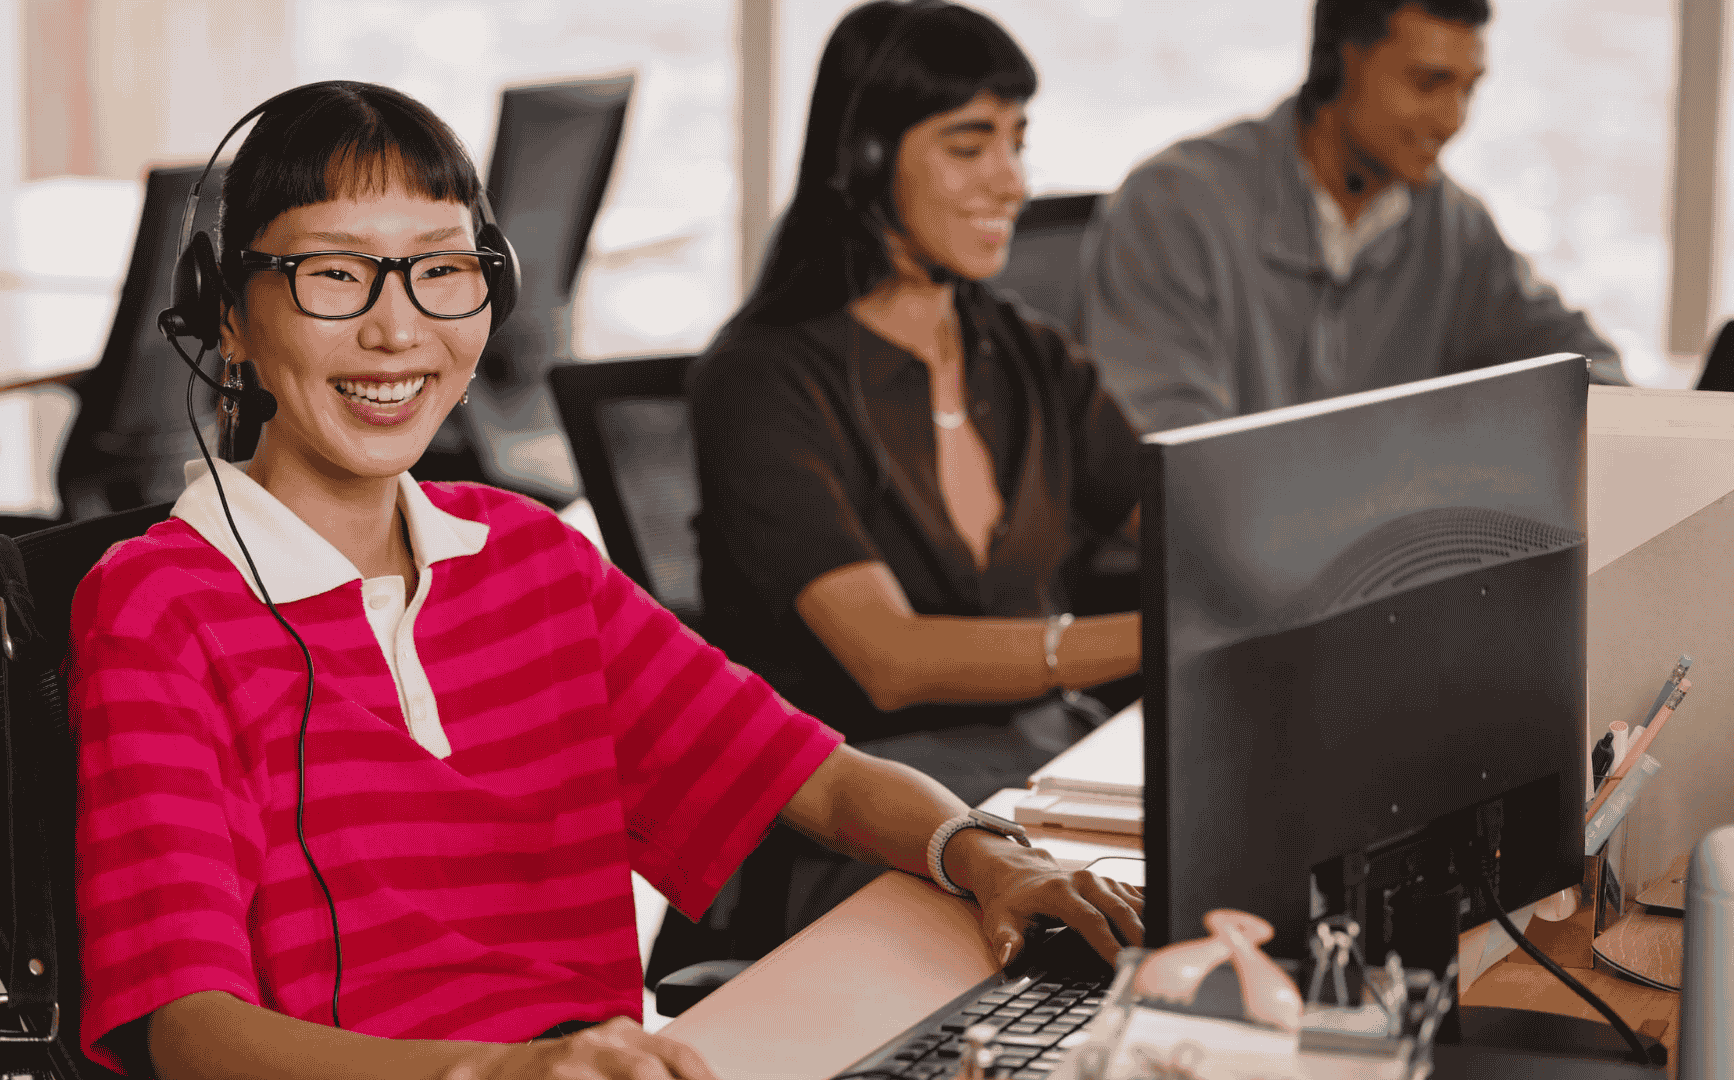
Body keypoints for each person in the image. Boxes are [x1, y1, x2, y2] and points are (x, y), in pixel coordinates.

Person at [67, 81, 1143, 1080]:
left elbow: (814, 777)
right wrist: (497, 1074)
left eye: (441, 270)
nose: (398, 329)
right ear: (227, 318)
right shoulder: (157, 608)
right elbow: (190, 1031)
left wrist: (989, 855)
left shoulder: (528, 557)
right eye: (333, 274)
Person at [686, 0, 1143, 951]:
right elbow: (890, 662)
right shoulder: (764, 378)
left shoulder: (1027, 355)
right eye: (969, 146)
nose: (1012, 181)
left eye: (1018, 141)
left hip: (1043, 786)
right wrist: (1166, 632)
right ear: (863, 162)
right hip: (868, 829)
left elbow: (1189, 522)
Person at [1081, 0, 1628, 435]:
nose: (1453, 119)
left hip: (1391, 559)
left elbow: (1587, 368)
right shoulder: (1174, 206)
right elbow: (1164, 461)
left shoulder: (1455, 226)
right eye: (1428, 83)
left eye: (1469, 88)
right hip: (1224, 565)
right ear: (1345, 60)